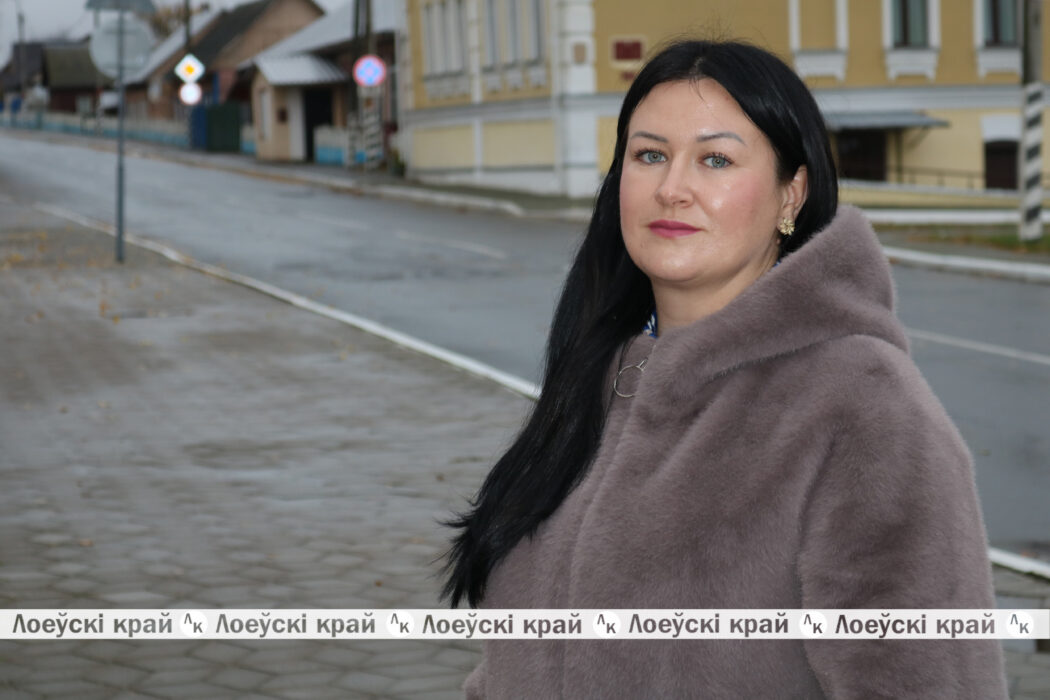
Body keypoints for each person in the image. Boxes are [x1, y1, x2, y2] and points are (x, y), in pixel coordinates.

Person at [441, 39, 1008, 699]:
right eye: (649, 155)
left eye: (715, 159)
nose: (672, 189)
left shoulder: (862, 403)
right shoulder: (601, 375)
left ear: (792, 193)